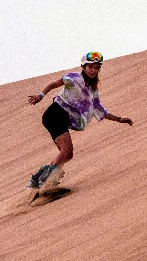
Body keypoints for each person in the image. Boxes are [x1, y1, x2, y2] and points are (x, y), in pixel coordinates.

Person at [26, 51, 133, 189]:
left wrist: (119, 119)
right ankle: (46, 181)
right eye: (90, 67)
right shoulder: (75, 78)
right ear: (84, 67)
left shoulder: (92, 91)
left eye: (96, 68)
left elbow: (99, 109)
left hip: (60, 119)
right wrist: (40, 96)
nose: (93, 70)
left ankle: (37, 179)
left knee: (66, 154)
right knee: (66, 151)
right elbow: (53, 84)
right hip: (55, 114)